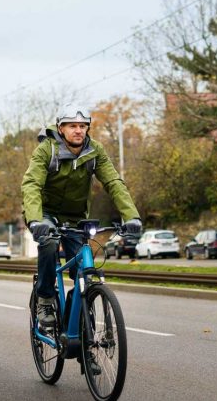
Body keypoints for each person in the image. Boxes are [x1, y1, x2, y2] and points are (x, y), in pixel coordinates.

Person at [21, 111, 142, 328]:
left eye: (82, 126)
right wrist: (35, 220)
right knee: (49, 244)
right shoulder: (46, 150)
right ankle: (45, 300)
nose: (78, 130)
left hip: (75, 217)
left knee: (83, 272)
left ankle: (85, 334)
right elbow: (31, 184)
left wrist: (131, 216)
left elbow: (113, 182)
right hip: (44, 213)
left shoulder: (95, 150)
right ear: (61, 129)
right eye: (72, 126)